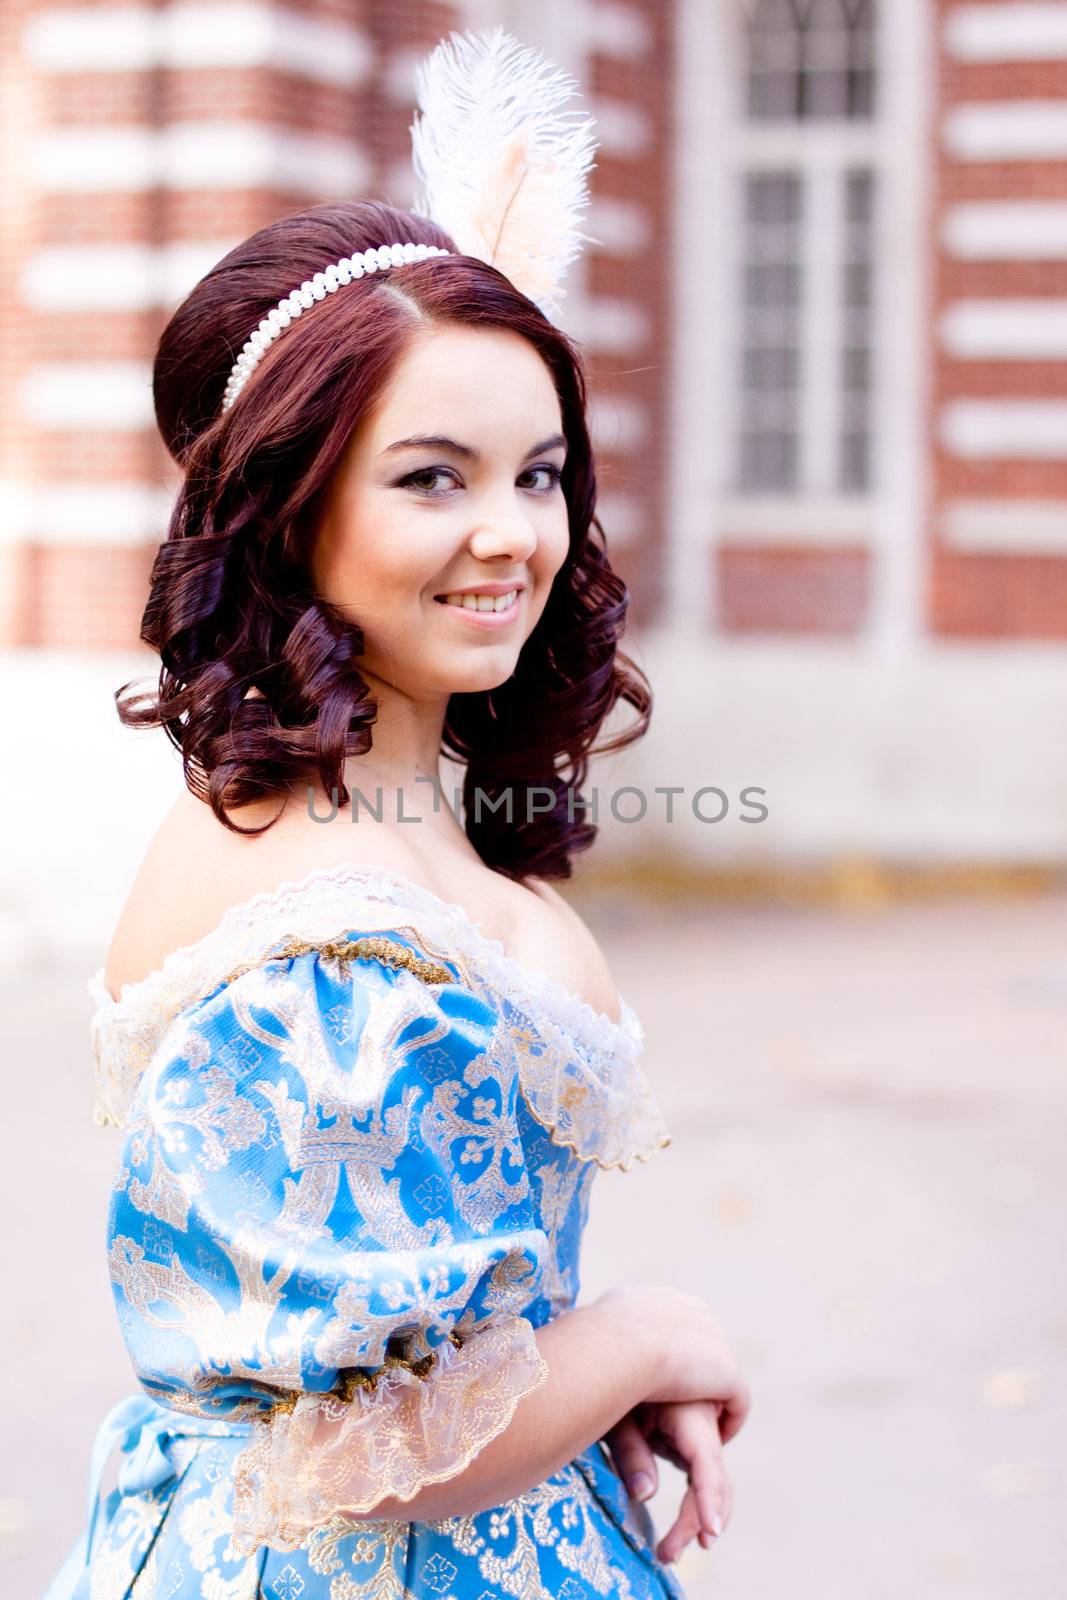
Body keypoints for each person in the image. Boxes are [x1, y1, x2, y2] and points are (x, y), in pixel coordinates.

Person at [45, 29, 751, 1600]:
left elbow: (427, 1348)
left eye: (540, 472)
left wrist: (577, 1393)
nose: (512, 534)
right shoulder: (327, 932)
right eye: (433, 478)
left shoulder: (393, 818)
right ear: (293, 511)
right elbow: (356, 1463)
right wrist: (642, 1335)